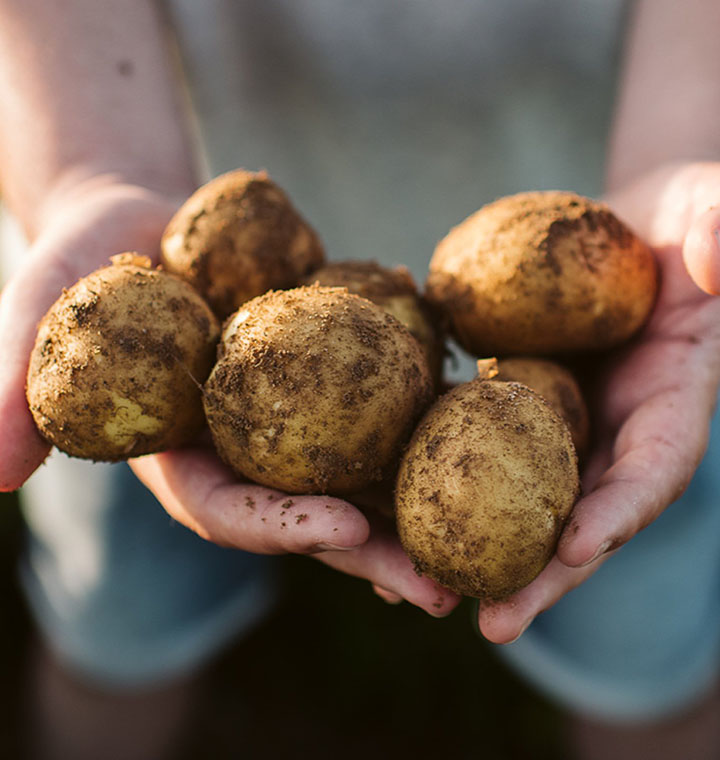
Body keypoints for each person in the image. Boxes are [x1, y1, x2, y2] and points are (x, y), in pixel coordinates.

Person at [0, 1, 719, 758]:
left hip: (600, 186)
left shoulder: (520, 365)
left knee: (649, 656)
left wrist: (684, 146)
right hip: (161, 172)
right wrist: (92, 168)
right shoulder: (190, 323)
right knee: (114, 615)